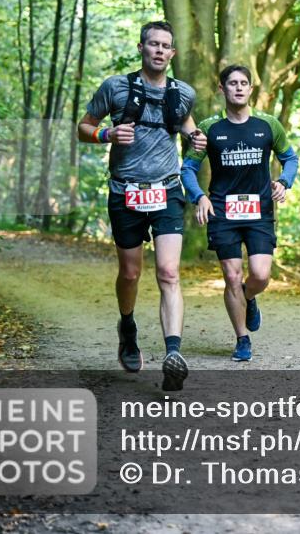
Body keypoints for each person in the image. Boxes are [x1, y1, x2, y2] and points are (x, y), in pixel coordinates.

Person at [77, 21, 206, 391]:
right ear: (141, 48)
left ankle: (172, 354)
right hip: (126, 192)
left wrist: (194, 137)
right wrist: (107, 134)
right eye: (153, 44)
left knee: (168, 272)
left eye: (166, 45)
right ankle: (128, 326)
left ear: (173, 53)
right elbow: (83, 127)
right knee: (131, 274)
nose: (160, 51)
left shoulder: (183, 92)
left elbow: (184, 122)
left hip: (167, 190)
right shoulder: (115, 87)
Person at [180, 64, 298, 361]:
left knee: (259, 275)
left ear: (250, 88)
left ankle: (249, 296)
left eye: (244, 83)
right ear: (222, 89)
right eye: (232, 83)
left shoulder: (268, 125)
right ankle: (242, 338)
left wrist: (284, 182)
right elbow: (188, 168)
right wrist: (199, 197)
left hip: (259, 211)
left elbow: (290, 158)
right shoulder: (208, 129)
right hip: (223, 212)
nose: (239, 87)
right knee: (231, 276)